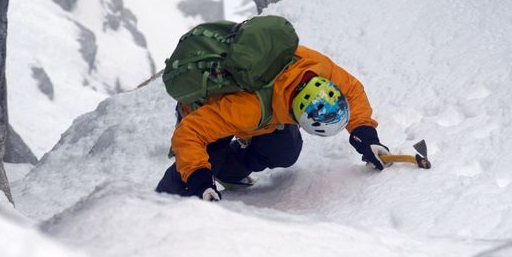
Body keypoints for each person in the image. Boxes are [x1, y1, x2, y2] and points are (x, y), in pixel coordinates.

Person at [155, 45, 390, 201]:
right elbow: (190, 132)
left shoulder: (319, 69)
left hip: (262, 103)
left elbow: (351, 90)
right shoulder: (249, 109)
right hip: (208, 108)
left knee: (284, 150)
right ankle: (159, 204)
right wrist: (199, 179)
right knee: (192, 183)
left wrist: (366, 136)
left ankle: (229, 171)